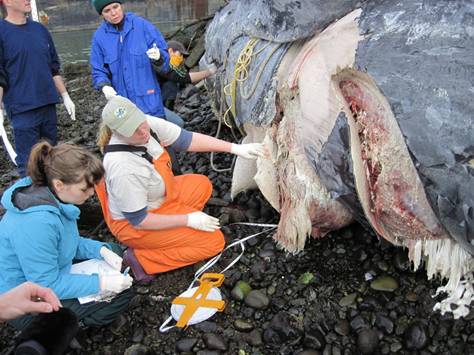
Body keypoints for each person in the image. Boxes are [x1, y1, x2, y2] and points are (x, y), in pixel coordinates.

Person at [95, 96, 265, 282]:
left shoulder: (146, 125)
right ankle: (140, 259)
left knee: (201, 185)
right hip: (136, 225)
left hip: (158, 199)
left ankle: (177, 231)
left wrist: (234, 148)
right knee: (213, 242)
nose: (142, 130)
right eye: (133, 130)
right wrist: (188, 220)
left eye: (140, 122)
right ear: (117, 132)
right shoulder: (122, 167)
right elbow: (139, 220)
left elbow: (186, 139)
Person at [0, 141, 133, 331]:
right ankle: (68, 327)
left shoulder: (50, 197)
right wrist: (101, 282)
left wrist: (100, 250)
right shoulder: (37, 223)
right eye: (84, 189)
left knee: (115, 252)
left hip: (51, 270)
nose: (91, 193)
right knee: (122, 293)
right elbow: (45, 284)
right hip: (25, 300)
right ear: (59, 184)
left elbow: (66, 243)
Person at [0, 0, 76, 177]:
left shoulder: (40, 30)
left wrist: (65, 96)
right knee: (29, 163)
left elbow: (53, 68)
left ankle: (52, 198)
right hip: (22, 109)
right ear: (7, 2)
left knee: (51, 158)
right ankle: (32, 202)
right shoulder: (2, 32)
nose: (28, 0)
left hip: (48, 104)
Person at [89, 0, 184, 127]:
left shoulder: (142, 26)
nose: (113, 13)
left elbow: (167, 63)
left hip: (150, 101)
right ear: (102, 14)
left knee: (159, 140)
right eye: (107, 11)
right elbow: (98, 69)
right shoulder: (99, 37)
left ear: (121, 6)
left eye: (115, 7)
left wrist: (159, 57)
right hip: (123, 104)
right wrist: (104, 86)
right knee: (133, 140)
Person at [156, 40, 217, 111]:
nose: (181, 58)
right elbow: (184, 77)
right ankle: (165, 113)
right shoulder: (161, 64)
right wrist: (210, 71)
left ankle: (168, 110)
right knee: (171, 85)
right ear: (170, 51)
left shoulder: (167, 63)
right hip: (150, 106)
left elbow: (182, 75)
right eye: (180, 54)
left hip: (154, 100)